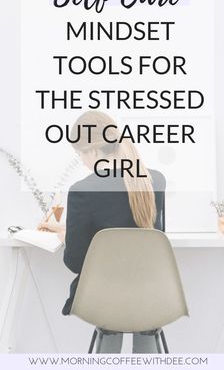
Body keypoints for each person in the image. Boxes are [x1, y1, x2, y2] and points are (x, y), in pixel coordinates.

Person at [38, 111, 166, 353]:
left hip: (103, 297)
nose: (82, 162)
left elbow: (76, 262)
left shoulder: (82, 190)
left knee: (111, 296)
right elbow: (152, 237)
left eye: (80, 155)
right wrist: (72, 230)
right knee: (140, 304)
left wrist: (68, 237)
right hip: (153, 293)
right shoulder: (155, 180)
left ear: (93, 151)